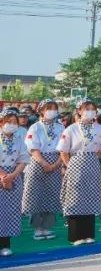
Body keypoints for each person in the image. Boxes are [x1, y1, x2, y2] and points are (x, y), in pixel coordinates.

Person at [57, 99, 101, 244]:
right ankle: (75, 236)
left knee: (90, 197)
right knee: (76, 198)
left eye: (93, 109)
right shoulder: (71, 129)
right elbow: (63, 150)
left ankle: (88, 234)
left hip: (92, 164)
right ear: (79, 111)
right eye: (86, 109)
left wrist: (92, 160)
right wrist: (68, 165)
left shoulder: (100, 129)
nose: (90, 111)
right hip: (75, 164)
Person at [23, 99, 64, 240]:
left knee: (52, 195)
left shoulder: (60, 127)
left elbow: (64, 147)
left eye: (54, 108)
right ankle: (37, 228)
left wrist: (57, 163)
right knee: (36, 195)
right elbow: (32, 148)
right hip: (38, 162)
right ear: (41, 110)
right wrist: (45, 163)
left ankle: (47, 227)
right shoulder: (35, 127)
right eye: (48, 108)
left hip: (56, 161)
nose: (52, 111)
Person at [1, 107, 30, 256]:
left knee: (9, 212)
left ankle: (5, 245)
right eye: (8, 121)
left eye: (14, 122)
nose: (12, 124)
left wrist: (12, 176)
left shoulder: (19, 141)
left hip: (14, 177)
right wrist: (3, 177)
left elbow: (23, 160)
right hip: (1, 176)